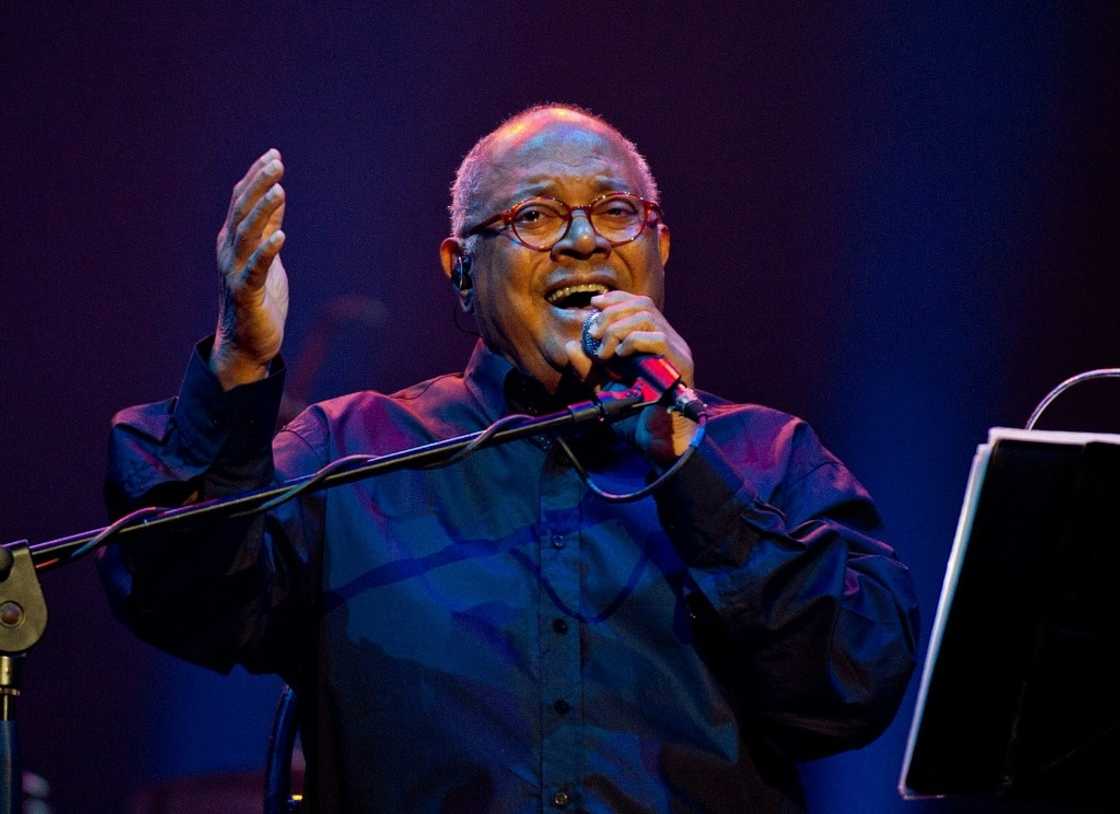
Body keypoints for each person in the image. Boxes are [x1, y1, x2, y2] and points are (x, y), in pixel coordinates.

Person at [99, 104, 920, 812]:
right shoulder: (349, 457)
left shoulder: (768, 458)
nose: (582, 242)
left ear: (659, 248)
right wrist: (240, 360)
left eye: (615, 211)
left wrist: (688, 459)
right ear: (461, 272)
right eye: (533, 217)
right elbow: (183, 594)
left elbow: (854, 687)